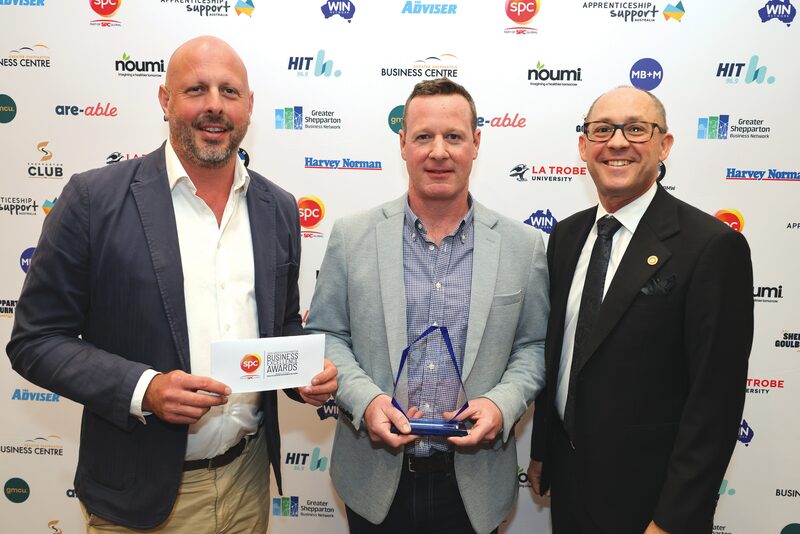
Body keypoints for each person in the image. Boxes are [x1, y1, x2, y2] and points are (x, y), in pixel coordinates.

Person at [6, 36, 337, 533]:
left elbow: (281, 323)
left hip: (247, 482)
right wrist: (146, 389)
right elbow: (35, 341)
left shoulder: (279, 208)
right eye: (196, 89)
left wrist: (303, 373)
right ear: (165, 100)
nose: (214, 106)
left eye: (229, 91)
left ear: (249, 106)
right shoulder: (93, 200)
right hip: (140, 497)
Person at [305, 78, 549, 534]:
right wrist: (367, 400)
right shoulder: (352, 236)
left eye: (453, 136)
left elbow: (533, 346)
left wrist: (501, 403)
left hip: (475, 489)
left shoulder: (523, 245)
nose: (439, 152)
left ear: (476, 143)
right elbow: (327, 335)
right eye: (423, 137)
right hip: (374, 483)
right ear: (402, 144)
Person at [528, 86, 753, 534]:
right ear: (583, 146)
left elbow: (715, 402)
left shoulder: (711, 247)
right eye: (602, 130)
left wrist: (672, 519)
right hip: (569, 487)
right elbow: (560, 355)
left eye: (635, 129)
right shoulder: (566, 237)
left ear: (664, 145)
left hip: (651, 502)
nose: (617, 142)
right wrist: (541, 453)